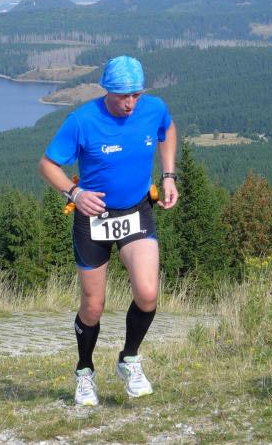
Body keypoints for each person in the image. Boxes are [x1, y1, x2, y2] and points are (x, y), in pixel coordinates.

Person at [38, 55, 179, 406]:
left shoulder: (153, 108)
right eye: (122, 96)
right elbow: (48, 164)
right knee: (93, 306)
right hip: (93, 218)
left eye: (136, 95)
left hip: (136, 210)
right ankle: (85, 371)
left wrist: (168, 175)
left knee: (148, 293)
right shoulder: (82, 120)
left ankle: (129, 359)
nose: (130, 103)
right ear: (107, 91)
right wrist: (75, 193)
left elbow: (167, 130)